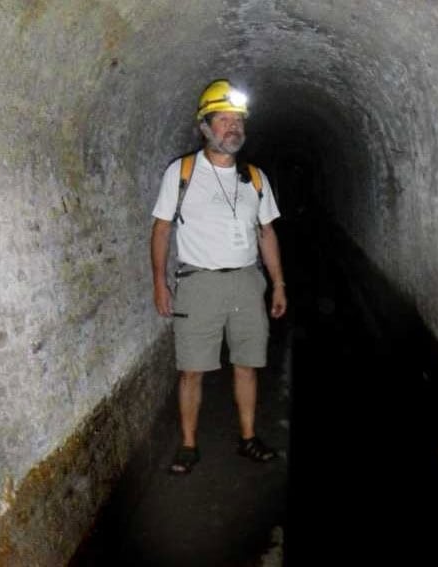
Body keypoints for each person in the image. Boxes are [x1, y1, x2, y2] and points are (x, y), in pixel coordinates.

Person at [150, 79, 288, 475]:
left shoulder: (255, 178)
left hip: (247, 281)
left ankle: (248, 438)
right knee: (191, 368)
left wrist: (278, 283)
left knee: (247, 363)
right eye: (223, 119)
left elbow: (266, 233)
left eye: (238, 121)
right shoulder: (183, 172)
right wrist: (160, 283)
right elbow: (161, 229)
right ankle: (189, 445)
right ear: (205, 127)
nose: (233, 128)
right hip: (199, 283)